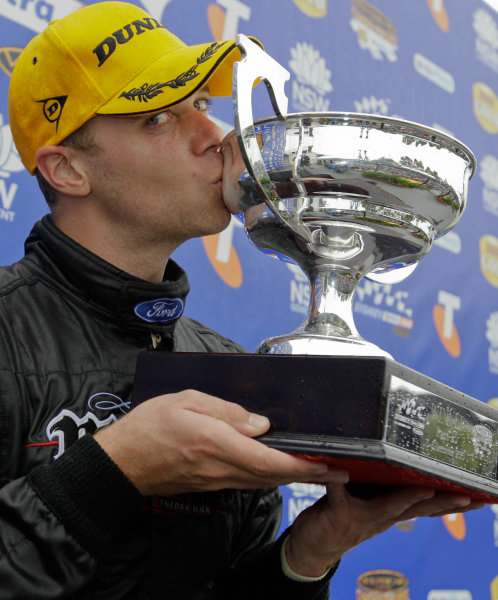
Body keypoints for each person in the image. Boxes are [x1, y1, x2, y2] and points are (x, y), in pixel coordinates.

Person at [1, 2, 483, 598]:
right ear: (68, 169)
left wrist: (310, 552)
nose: (217, 136)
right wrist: (113, 472)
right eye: (158, 118)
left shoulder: (234, 368)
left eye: (202, 105)